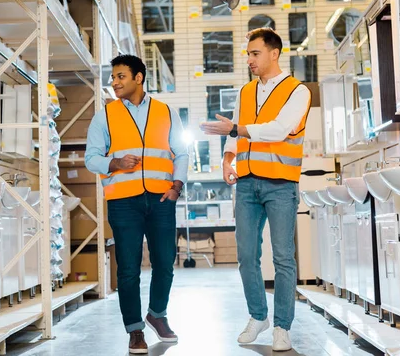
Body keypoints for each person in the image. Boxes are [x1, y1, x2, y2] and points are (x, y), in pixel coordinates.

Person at [200, 28, 311, 352]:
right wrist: (227, 158)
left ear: (274, 53)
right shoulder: (246, 92)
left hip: (280, 184)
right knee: (247, 256)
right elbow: (237, 132)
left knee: (283, 258)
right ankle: (258, 316)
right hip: (247, 182)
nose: (249, 59)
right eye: (247, 54)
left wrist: (235, 128)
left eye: (255, 53)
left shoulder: (297, 91)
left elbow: (280, 129)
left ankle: (282, 327)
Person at [85, 54, 188, 354]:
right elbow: (91, 157)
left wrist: (177, 186)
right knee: (128, 269)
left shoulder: (166, 111)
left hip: (161, 199)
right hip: (123, 203)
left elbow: (180, 152)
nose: (114, 82)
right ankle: (134, 330)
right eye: (113, 78)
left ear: (138, 78)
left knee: (165, 263)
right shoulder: (105, 115)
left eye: (120, 76)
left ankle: (157, 314)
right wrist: (114, 162)